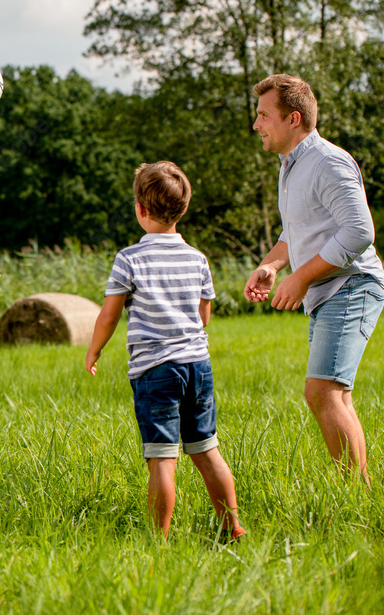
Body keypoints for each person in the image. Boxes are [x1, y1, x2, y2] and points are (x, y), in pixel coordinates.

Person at [85, 161, 244, 541]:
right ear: (183, 209)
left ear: (140, 209)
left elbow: (109, 315)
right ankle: (232, 525)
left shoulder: (130, 259)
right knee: (207, 450)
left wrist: (94, 350)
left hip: (156, 371)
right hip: (197, 365)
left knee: (162, 459)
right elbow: (204, 315)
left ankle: (160, 540)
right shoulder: (197, 258)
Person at [245, 74, 384, 486]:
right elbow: (298, 231)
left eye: (263, 115)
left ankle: (355, 494)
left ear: (293, 118)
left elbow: (360, 231)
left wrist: (302, 278)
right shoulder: (291, 167)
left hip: (352, 284)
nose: (256, 125)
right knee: (335, 393)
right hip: (331, 290)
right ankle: (360, 490)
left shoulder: (328, 161)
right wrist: (273, 266)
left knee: (321, 391)